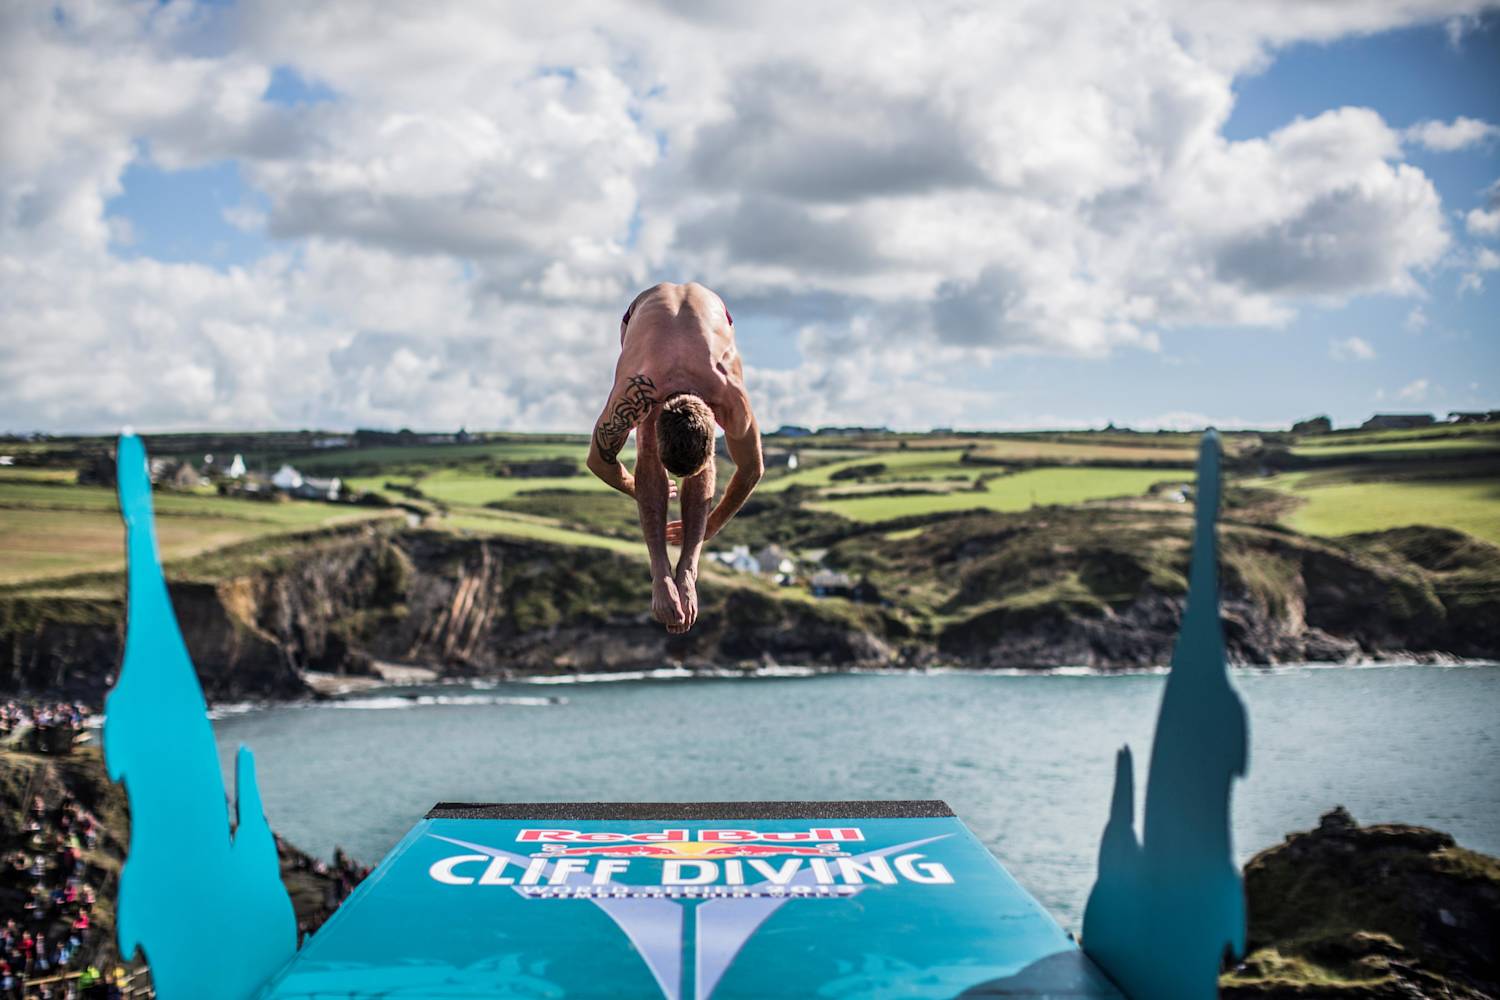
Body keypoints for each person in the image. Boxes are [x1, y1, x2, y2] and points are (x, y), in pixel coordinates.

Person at [587, 282, 763, 634]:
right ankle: (660, 571)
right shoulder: (636, 393)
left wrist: (711, 526)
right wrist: (636, 486)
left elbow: (751, 469)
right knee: (646, 440)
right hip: (643, 316)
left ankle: (688, 570)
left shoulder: (729, 395)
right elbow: (598, 461)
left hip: (713, 318)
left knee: (688, 442)